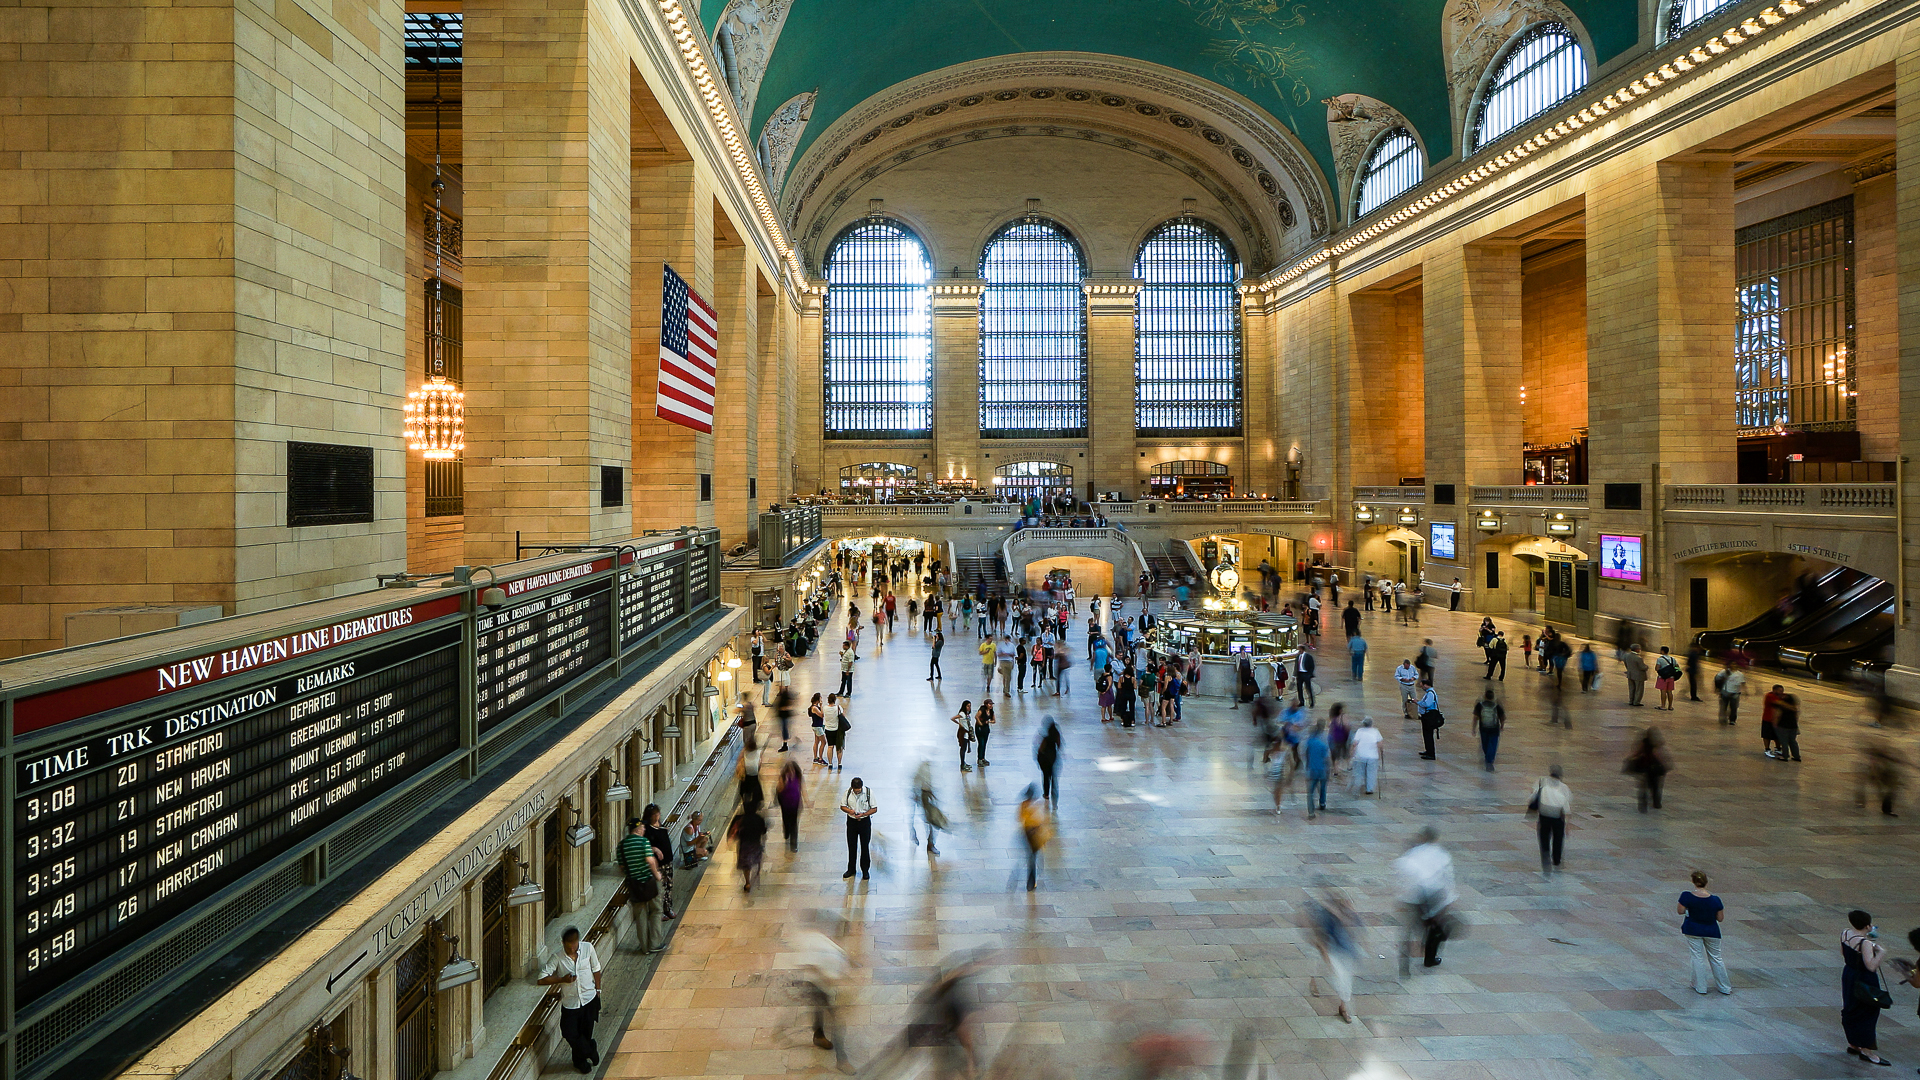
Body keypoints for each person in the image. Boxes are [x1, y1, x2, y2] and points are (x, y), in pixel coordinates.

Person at [539, 926, 605, 1073]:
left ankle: (579, 1062)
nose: (572, 946)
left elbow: (596, 968)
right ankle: (590, 1050)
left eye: (574, 942)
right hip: (570, 1004)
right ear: (563, 942)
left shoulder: (588, 948)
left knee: (585, 1033)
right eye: (569, 943)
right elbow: (541, 979)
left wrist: (598, 990)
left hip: (589, 999)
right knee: (569, 1033)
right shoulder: (557, 958)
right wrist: (561, 979)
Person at [792, 916, 854, 1071]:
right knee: (838, 1023)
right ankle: (842, 1061)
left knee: (819, 1011)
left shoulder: (830, 943)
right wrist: (827, 977)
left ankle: (818, 1036)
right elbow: (808, 964)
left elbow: (838, 959)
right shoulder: (812, 941)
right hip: (818, 987)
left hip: (825, 987)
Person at [1396, 828, 1455, 972]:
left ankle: (1404, 961)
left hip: (1413, 897)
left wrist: (1402, 897)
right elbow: (1447, 879)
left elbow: (1403, 872)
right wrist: (1449, 900)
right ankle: (1429, 956)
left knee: (1408, 930)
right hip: (1434, 897)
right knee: (1435, 929)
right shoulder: (1442, 855)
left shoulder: (1412, 853)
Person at [1841, 910, 1893, 1065]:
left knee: (1851, 1008)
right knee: (1867, 1013)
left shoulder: (1845, 934)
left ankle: (1853, 1043)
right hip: (1864, 979)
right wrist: (1881, 953)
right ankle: (1867, 1051)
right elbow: (1871, 966)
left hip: (1849, 974)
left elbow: (1843, 953)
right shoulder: (1865, 943)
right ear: (1868, 925)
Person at [1306, 889, 1359, 1023]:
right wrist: (1325, 954)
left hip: (1344, 951)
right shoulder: (1326, 917)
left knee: (1345, 979)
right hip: (1331, 948)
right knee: (1317, 960)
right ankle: (1313, 980)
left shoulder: (1349, 915)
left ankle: (1343, 1007)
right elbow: (1320, 938)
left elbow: (1356, 931)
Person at [1678, 871, 1732, 995]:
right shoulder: (1715, 900)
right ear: (1706, 882)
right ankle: (1725, 987)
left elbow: (1680, 910)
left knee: (1697, 957)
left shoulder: (1686, 896)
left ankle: (1700, 986)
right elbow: (1720, 918)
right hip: (1712, 931)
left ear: (1693, 881)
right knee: (1716, 958)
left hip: (1692, 929)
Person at [620, 817, 665, 953]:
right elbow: (650, 861)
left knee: (640, 916)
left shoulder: (622, 845)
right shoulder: (643, 841)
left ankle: (644, 947)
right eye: (643, 827)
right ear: (638, 829)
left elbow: (622, 866)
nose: (645, 829)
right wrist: (657, 875)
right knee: (656, 911)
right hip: (648, 882)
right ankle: (654, 944)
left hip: (634, 885)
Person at [1529, 764, 1570, 874]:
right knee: (1558, 838)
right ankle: (1556, 859)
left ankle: (1545, 854)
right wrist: (1567, 822)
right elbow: (1566, 806)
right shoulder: (1564, 787)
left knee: (1544, 836)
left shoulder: (1541, 781)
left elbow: (1533, 796)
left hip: (1544, 814)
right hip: (1557, 816)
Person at [642, 803, 677, 921]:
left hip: (668, 861)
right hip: (658, 864)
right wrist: (655, 849)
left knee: (669, 886)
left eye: (658, 813)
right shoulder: (646, 830)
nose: (657, 816)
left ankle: (668, 908)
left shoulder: (660, 825)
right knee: (660, 888)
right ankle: (659, 911)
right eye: (655, 814)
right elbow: (644, 846)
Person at [1625, 726, 1671, 811]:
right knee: (1655, 786)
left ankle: (1643, 803)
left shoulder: (1645, 742)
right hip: (1655, 768)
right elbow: (1660, 754)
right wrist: (1664, 764)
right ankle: (1656, 802)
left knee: (1644, 786)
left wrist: (1631, 758)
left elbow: (1638, 752)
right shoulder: (1658, 743)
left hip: (1647, 766)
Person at [841, 777, 875, 880]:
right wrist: (849, 811)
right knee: (852, 846)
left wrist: (864, 814)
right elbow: (842, 806)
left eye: (858, 790)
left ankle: (865, 870)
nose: (857, 792)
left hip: (864, 822)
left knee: (864, 846)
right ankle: (851, 869)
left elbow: (874, 808)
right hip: (852, 822)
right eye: (855, 791)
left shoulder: (869, 792)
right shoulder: (847, 793)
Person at [1019, 784, 1051, 891]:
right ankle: (1031, 882)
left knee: (1031, 858)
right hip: (1033, 834)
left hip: (1028, 834)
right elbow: (1042, 821)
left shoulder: (1024, 805)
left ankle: (1031, 882)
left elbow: (1020, 819)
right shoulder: (1036, 806)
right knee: (1032, 858)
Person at [731, 799, 767, 892]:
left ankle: (747, 882)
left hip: (744, 845)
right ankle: (758, 870)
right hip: (755, 843)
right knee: (757, 858)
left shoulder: (741, 820)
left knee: (746, 865)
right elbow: (763, 831)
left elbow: (737, 832)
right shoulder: (759, 818)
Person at [910, 759, 944, 855]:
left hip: (925, 796)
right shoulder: (923, 770)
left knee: (931, 822)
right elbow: (920, 783)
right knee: (932, 822)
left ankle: (929, 843)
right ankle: (930, 844)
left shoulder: (924, 769)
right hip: (924, 797)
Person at [1304, 721, 1331, 818]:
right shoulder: (1322, 745)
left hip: (1312, 771)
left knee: (1310, 793)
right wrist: (1329, 770)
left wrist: (1307, 767)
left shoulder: (1309, 742)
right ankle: (1322, 803)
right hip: (1322, 770)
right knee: (1323, 787)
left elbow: (1306, 755)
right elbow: (1326, 758)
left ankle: (1311, 812)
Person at [1350, 717, 1383, 795]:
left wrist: (1352, 753)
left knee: (1360, 771)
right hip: (1372, 756)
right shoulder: (1375, 731)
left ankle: (1358, 786)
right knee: (1371, 772)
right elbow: (1380, 743)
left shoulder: (1360, 731)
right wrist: (1380, 750)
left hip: (1361, 755)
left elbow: (1355, 743)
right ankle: (1369, 788)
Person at [1472, 689, 1504, 772]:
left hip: (1484, 728)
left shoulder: (1480, 705)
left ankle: (1487, 756)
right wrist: (1502, 726)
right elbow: (1502, 717)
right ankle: (1490, 760)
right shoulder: (1497, 706)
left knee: (1485, 744)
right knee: (1493, 744)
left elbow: (1475, 717)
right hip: (1494, 728)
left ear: (1485, 696)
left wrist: (1474, 728)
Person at [776, 760, 804, 852]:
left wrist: (805, 801)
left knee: (794, 824)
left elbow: (802, 789)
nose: (791, 772)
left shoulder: (798, 777)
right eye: (789, 771)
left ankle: (793, 844)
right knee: (786, 819)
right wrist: (786, 782)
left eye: (792, 770)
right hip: (785, 803)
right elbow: (779, 789)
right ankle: (786, 830)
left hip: (794, 803)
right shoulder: (783, 778)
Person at [1036, 717, 1063, 803]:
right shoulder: (1056, 733)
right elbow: (1059, 744)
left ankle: (1046, 794)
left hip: (1044, 758)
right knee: (1053, 776)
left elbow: (1041, 748)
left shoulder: (1045, 734)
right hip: (1053, 757)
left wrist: (1038, 757)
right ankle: (1054, 793)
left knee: (1045, 776)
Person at [1774, 692, 1802, 762]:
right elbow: (1796, 717)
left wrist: (1775, 724)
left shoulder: (1781, 706)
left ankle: (1785, 756)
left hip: (1783, 726)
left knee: (1784, 742)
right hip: (1793, 726)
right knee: (1793, 741)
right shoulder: (1794, 707)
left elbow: (1778, 716)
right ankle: (1796, 756)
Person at [1417, 682, 1442, 760]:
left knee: (1428, 735)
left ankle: (1431, 753)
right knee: (1426, 734)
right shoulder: (1429, 693)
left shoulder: (1430, 694)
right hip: (1427, 715)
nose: (1422, 688)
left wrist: (1418, 702)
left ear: (1426, 685)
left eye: (1422, 686)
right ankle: (1428, 750)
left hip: (1429, 716)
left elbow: (1427, 704)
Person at [823, 694, 848, 770]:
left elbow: (822, 715)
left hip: (828, 729)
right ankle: (839, 763)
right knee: (839, 747)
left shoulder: (825, 708)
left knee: (830, 746)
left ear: (828, 700)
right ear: (835, 700)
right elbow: (843, 716)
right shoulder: (838, 708)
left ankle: (830, 763)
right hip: (837, 730)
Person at [1654, 646, 1681, 710]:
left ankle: (1663, 706)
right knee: (1670, 691)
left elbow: (1657, 668)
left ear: (1662, 651)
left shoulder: (1660, 659)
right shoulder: (1672, 659)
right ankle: (1670, 706)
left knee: (1663, 691)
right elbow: (1677, 667)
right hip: (1671, 677)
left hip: (1663, 677)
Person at [951, 701, 974, 770]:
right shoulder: (962, 714)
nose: (969, 708)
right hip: (963, 733)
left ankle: (964, 763)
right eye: (968, 706)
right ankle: (962, 764)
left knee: (964, 748)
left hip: (967, 733)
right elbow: (953, 718)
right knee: (963, 749)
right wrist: (959, 724)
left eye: (970, 706)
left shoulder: (967, 714)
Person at [973, 697, 996, 765]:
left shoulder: (991, 711)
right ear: (986, 704)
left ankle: (983, 758)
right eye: (989, 704)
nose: (991, 705)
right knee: (981, 743)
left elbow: (994, 720)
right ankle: (979, 758)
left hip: (986, 728)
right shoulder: (982, 710)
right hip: (979, 728)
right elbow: (976, 716)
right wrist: (980, 723)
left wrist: (989, 722)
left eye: (991, 704)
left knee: (984, 743)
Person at [808, 692, 827, 765]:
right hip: (818, 727)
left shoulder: (814, 707)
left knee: (816, 742)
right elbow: (822, 715)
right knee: (823, 742)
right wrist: (821, 706)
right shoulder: (815, 708)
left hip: (816, 726)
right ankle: (820, 758)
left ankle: (815, 757)